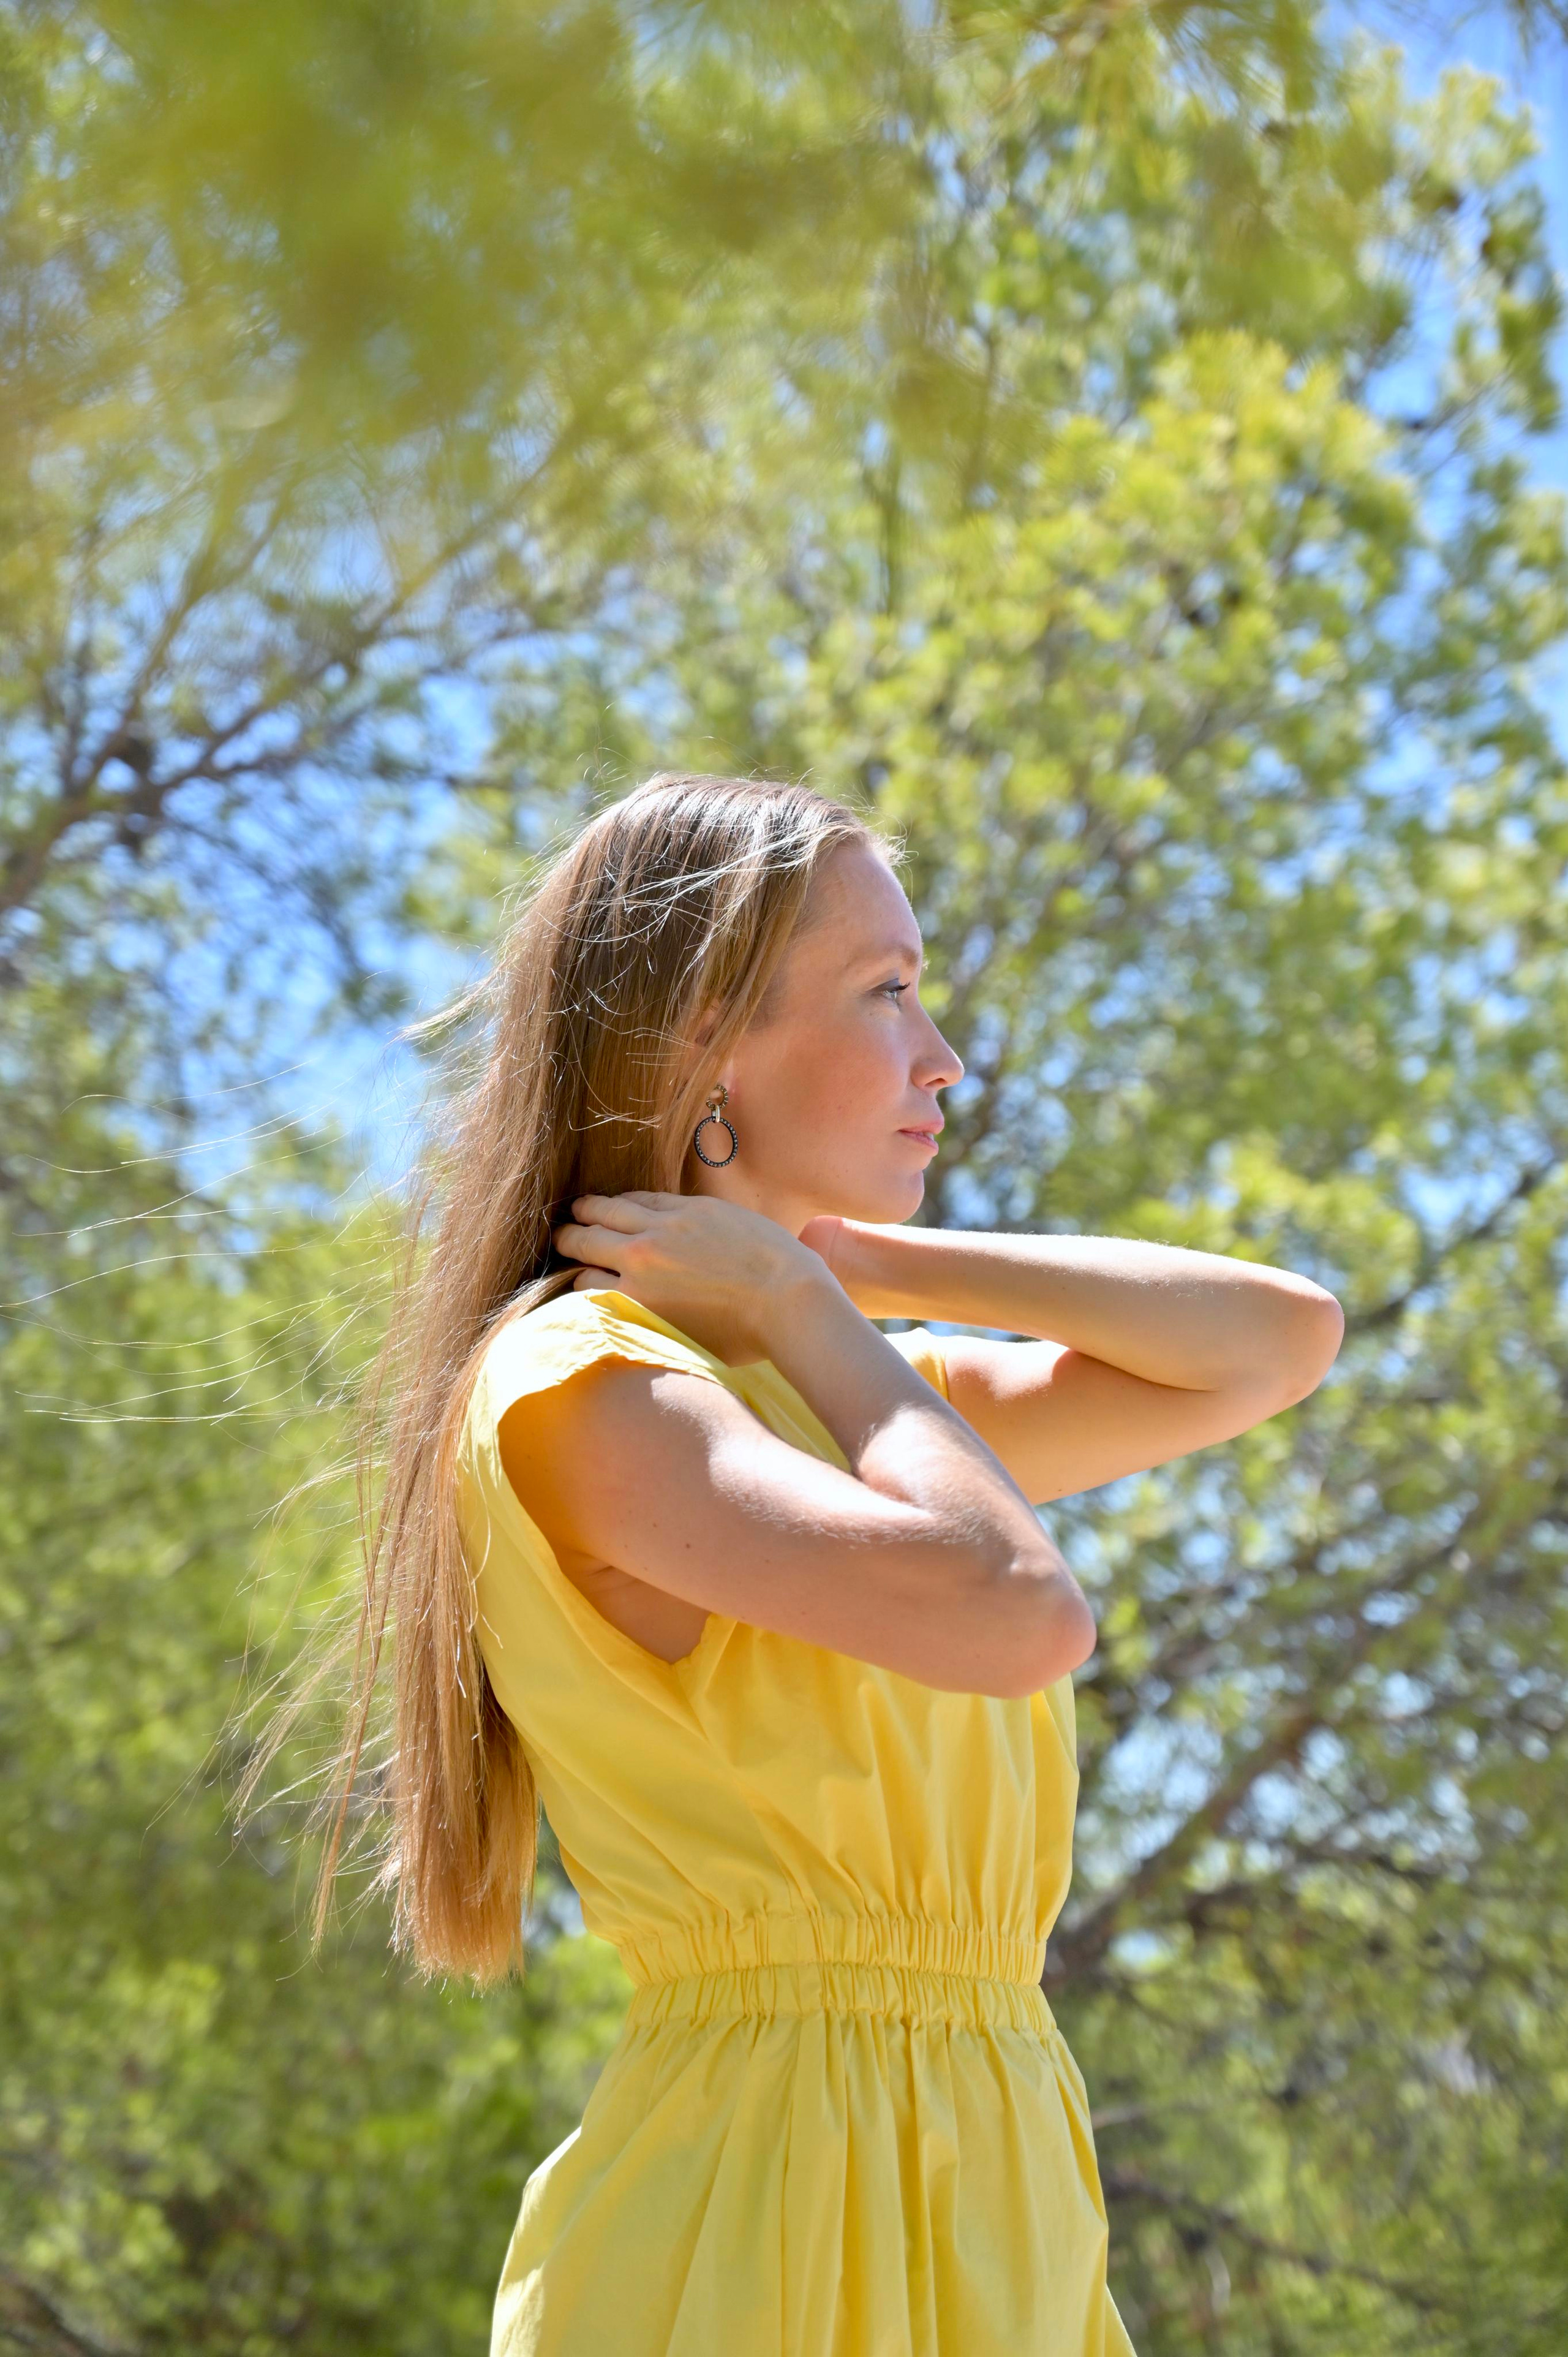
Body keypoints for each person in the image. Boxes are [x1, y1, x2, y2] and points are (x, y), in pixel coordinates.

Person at [306, 770, 1343, 2354]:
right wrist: (805, 1311)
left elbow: (1275, 1341)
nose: (946, 1059)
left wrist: (846, 1268)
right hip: (761, 2227)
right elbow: (1017, 1611)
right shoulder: (589, 1389)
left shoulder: (846, 1394)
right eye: (890, 994)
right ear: (702, 1045)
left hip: (994, 2204)